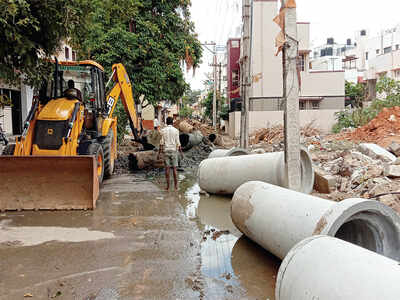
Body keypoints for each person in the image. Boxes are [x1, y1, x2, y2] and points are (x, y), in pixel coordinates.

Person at [158, 116, 181, 191]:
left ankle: (168, 187)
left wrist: (159, 153)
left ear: (166, 122)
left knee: (167, 169)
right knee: (174, 169)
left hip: (166, 150)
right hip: (174, 150)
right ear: (172, 122)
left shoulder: (163, 130)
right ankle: (176, 187)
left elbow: (161, 143)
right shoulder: (176, 130)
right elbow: (178, 143)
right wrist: (181, 152)